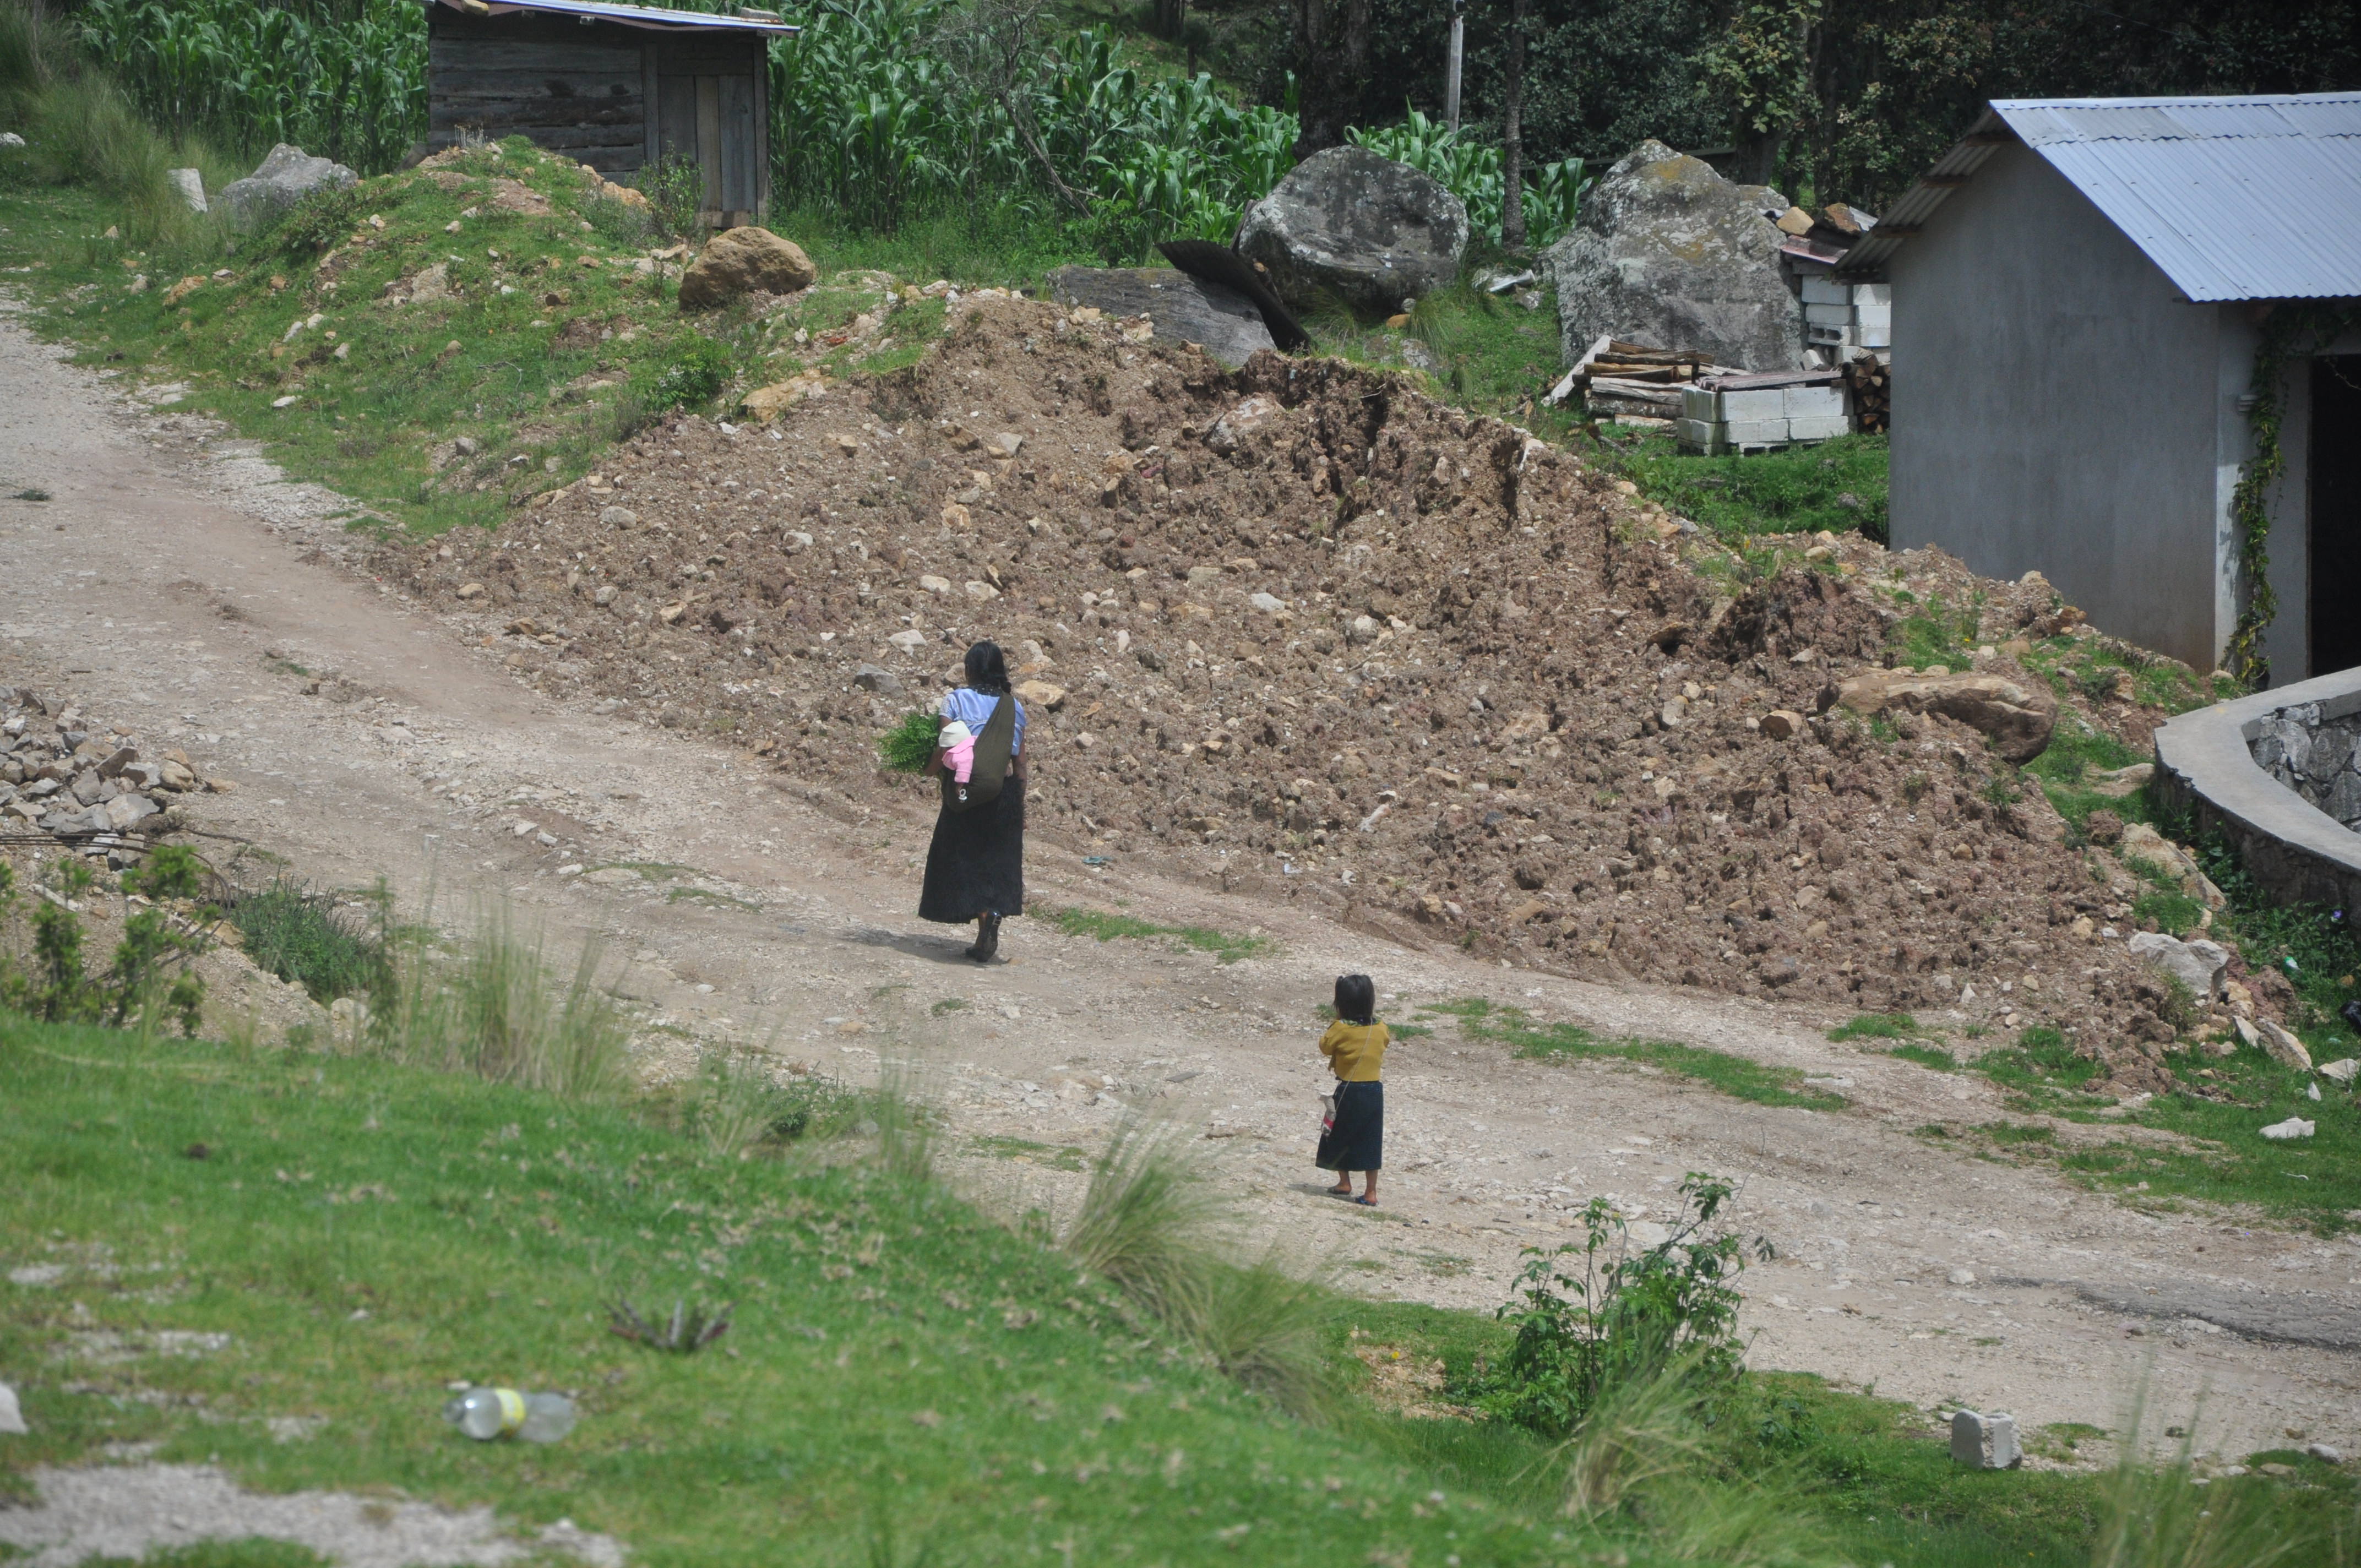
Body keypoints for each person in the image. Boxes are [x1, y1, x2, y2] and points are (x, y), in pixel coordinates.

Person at [918, 641, 1027, 962]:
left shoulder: (956, 700)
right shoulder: (1015, 708)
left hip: (964, 791)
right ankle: (990, 917)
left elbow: (946, 748)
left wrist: (928, 771)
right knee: (994, 862)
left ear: (969, 671)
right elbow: (1019, 764)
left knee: (962, 858)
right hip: (1001, 793)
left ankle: (980, 919)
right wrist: (1018, 804)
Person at [1315, 973, 1387, 1206]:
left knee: (1337, 1135)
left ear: (1341, 1003)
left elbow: (1325, 1047)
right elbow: (1385, 1042)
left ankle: (1344, 1182)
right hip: (1374, 1092)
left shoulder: (1341, 1027)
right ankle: (1371, 1192)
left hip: (1348, 1091)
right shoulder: (1380, 1027)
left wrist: (1338, 1022)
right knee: (1371, 1140)